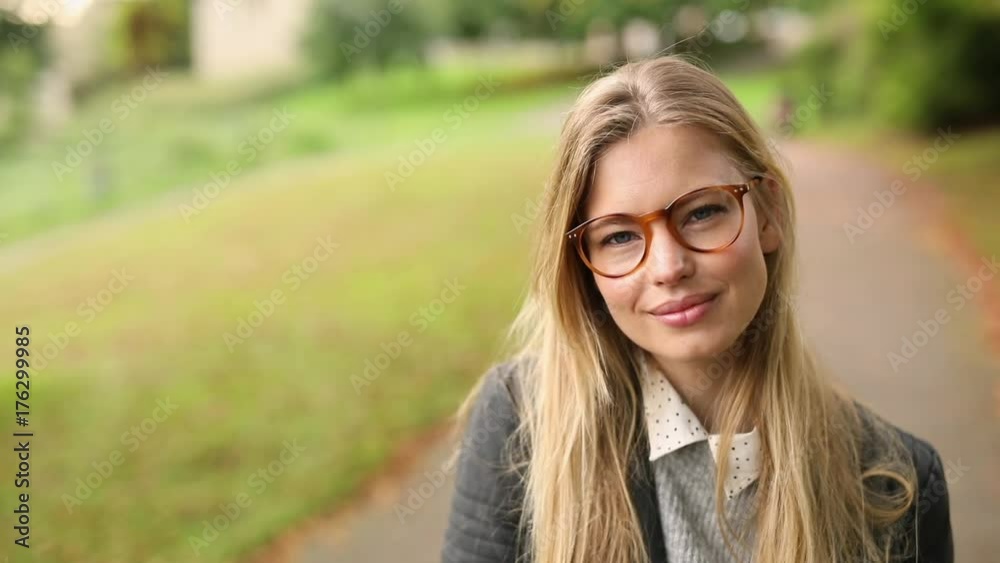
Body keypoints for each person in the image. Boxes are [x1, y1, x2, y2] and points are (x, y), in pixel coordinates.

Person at [439, 55, 953, 563]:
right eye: (618, 236)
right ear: (585, 266)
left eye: (702, 211)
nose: (668, 267)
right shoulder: (521, 425)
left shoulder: (894, 481)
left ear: (767, 213)